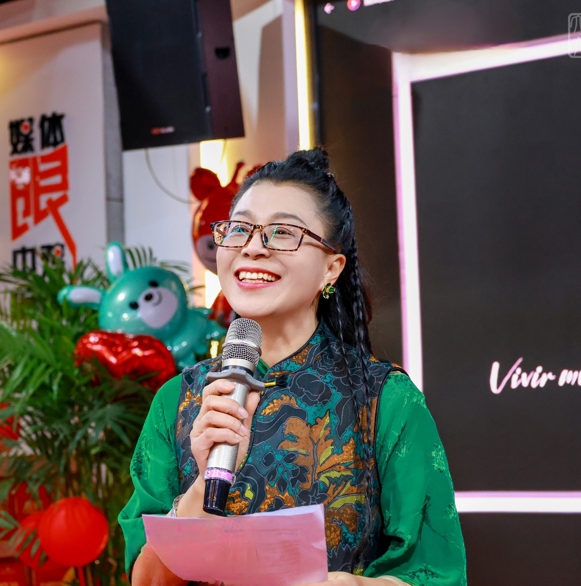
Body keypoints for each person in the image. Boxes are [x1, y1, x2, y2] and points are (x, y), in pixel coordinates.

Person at [118, 148, 466, 586]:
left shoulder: (385, 399)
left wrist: (351, 585)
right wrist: (203, 484)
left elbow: (437, 573)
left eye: (282, 233)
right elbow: (145, 580)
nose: (252, 248)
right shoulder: (178, 400)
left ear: (331, 269)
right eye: (239, 229)